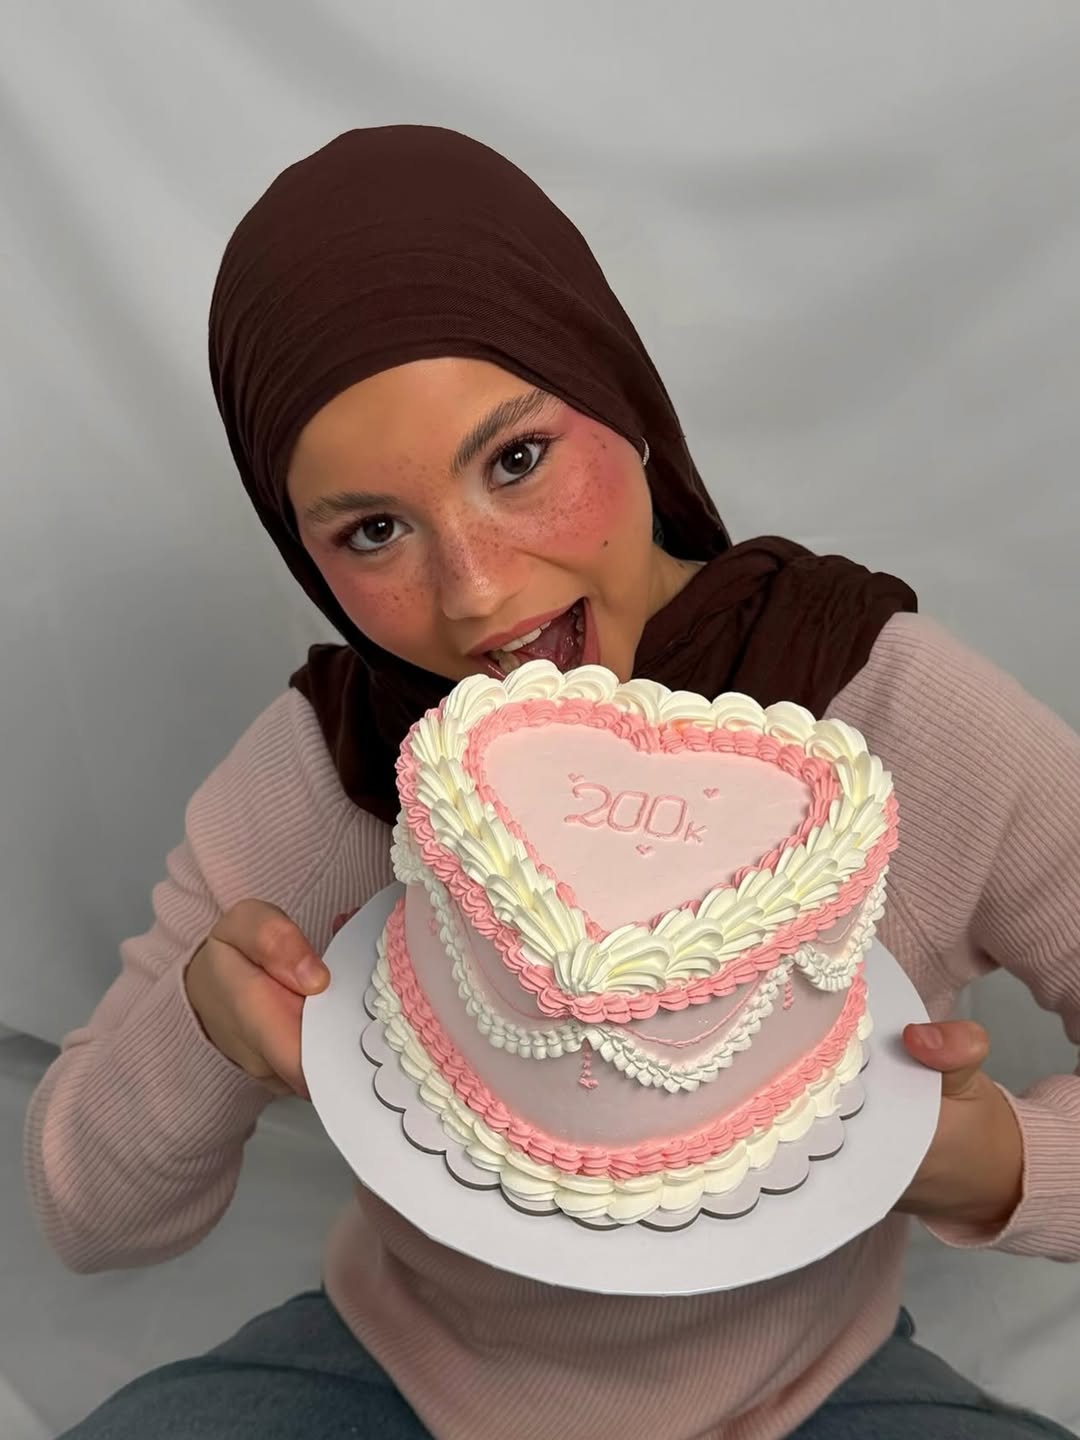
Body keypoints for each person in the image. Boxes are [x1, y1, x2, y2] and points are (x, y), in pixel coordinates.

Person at [27, 126, 1079, 1440]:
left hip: (816, 1390)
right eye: (373, 530)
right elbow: (84, 1214)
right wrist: (205, 1033)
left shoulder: (887, 710)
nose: (476, 592)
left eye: (515, 459)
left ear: (619, 396)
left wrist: (999, 1165)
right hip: (398, 1376)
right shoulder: (328, 765)